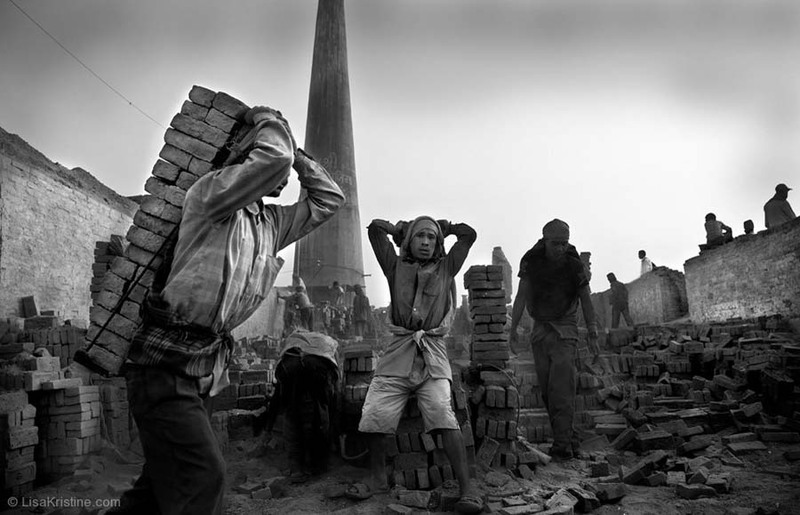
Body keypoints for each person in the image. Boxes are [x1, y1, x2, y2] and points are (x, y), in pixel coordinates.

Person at [111, 106, 345, 514]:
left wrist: (299, 152)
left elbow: (328, 199)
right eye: (272, 151)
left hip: (201, 367)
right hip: (163, 365)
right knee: (203, 476)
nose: (283, 169)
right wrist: (267, 122)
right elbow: (275, 159)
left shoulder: (270, 224)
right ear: (247, 156)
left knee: (159, 485)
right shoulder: (210, 195)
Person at [354, 216, 482, 514]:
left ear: (439, 245)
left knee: (441, 412)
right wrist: (397, 229)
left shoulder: (446, 267)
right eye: (419, 236)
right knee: (375, 411)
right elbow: (374, 229)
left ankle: (467, 488)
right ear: (408, 241)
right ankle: (376, 478)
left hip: (433, 355)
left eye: (431, 238)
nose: (426, 242)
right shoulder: (394, 266)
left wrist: (446, 227)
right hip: (398, 352)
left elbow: (469, 235)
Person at [509, 219, 599, 461]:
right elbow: (521, 296)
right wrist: (513, 329)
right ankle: (568, 438)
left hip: (566, 329)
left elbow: (586, 298)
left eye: (564, 243)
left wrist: (592, 330)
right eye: (556, 243)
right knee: (548, 391)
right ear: (545, 240)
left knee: (562, 388)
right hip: (540, 330)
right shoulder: (531, 261)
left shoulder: (573, 264)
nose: (560, 248)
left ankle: (562, 446)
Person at [271, 326, 340, 482]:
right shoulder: (325, 349)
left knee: (293, 418)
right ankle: (317, 466)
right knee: (320, 421)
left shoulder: (292, 351)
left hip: (294, 383)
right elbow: (334, 390)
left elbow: (280, 389)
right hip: (316, 382)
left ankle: (296, 467)